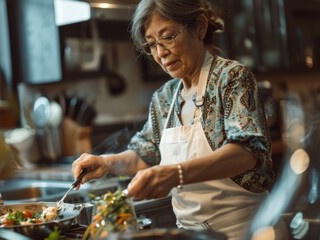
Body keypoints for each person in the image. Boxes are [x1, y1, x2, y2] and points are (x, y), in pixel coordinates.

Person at [72, 0, 287, 239]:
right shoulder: (164, 98)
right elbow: (146, 154)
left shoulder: (231, 78)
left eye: (168, 37)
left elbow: (247, 152)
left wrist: (176, 174)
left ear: (200, 27)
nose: (161, 53)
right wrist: (106, 163)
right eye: (152, 44)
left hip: (246, 230)